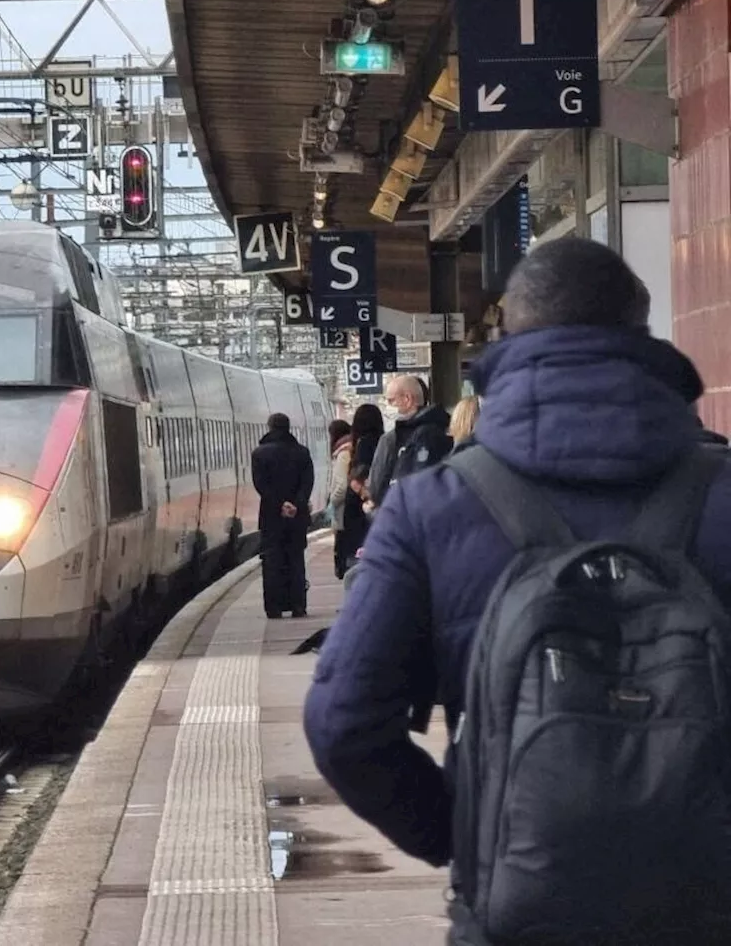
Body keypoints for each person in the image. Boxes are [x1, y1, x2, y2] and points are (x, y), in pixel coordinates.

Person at [303, 236, 731, 944]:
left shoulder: (430, 508)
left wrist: (472, 833)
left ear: (505, 336)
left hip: (516, 916)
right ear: (641, 335)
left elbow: (342, 723)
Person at [251, 412, 314, 618]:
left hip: (271, 516)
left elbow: (261, 484)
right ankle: (298, 605)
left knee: (272, 561)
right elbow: (307, 483)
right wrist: (296, 504)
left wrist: (280, 504)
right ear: (288, 428)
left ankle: (274, 608)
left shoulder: (259, 454)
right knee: (296, 560)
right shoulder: (302, 453)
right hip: (297, 516)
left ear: (269, 427)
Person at [367, 374, 452, 506]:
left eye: (391, 401)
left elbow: (378, 487)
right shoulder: (444, 427)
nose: (388, 407)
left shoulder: (409, 437)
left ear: (407, 399)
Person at [334, 403, 383, 574]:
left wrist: (362, 492)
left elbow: (358, 476)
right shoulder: (383, 441)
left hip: (358, 508)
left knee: (356, 559)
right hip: (376, 504)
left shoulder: (362, 444)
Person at [327, 419, 353, 580]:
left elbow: (342, 485)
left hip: (343, 513)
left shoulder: (343, 453)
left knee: (344, 559)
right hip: (349, 512)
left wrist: (332, 502)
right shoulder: (352, 448)